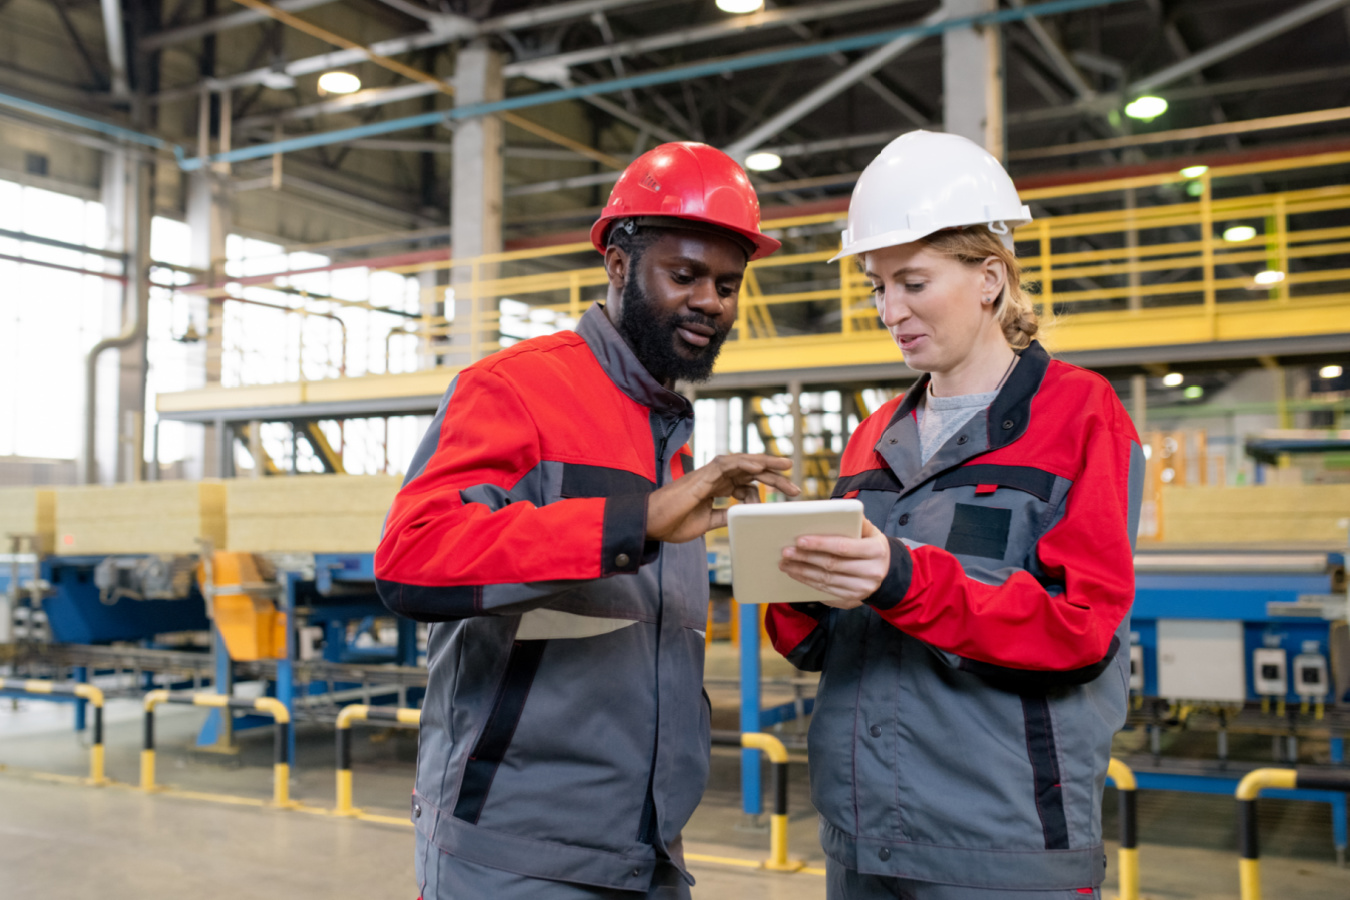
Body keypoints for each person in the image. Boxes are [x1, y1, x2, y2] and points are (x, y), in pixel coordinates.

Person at [375, 142, 798, 900]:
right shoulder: (515, 390)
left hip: (647, 851)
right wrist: (632, 520)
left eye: (729, 285)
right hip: (515, 855)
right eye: (685, 275)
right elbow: (413, 556)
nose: (712, 301)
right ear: (618, 266)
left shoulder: (669, 429)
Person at [767, 130, 1144, 900]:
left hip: (1002, 848)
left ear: (989, 279)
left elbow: (1083, 629)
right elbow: (822, 646)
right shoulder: (877, 433)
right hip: (864, 837)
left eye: (912, 282)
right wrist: (798, 585)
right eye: (876, 286)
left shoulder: (1080, 414)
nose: (887, 310)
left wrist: (901, 577)